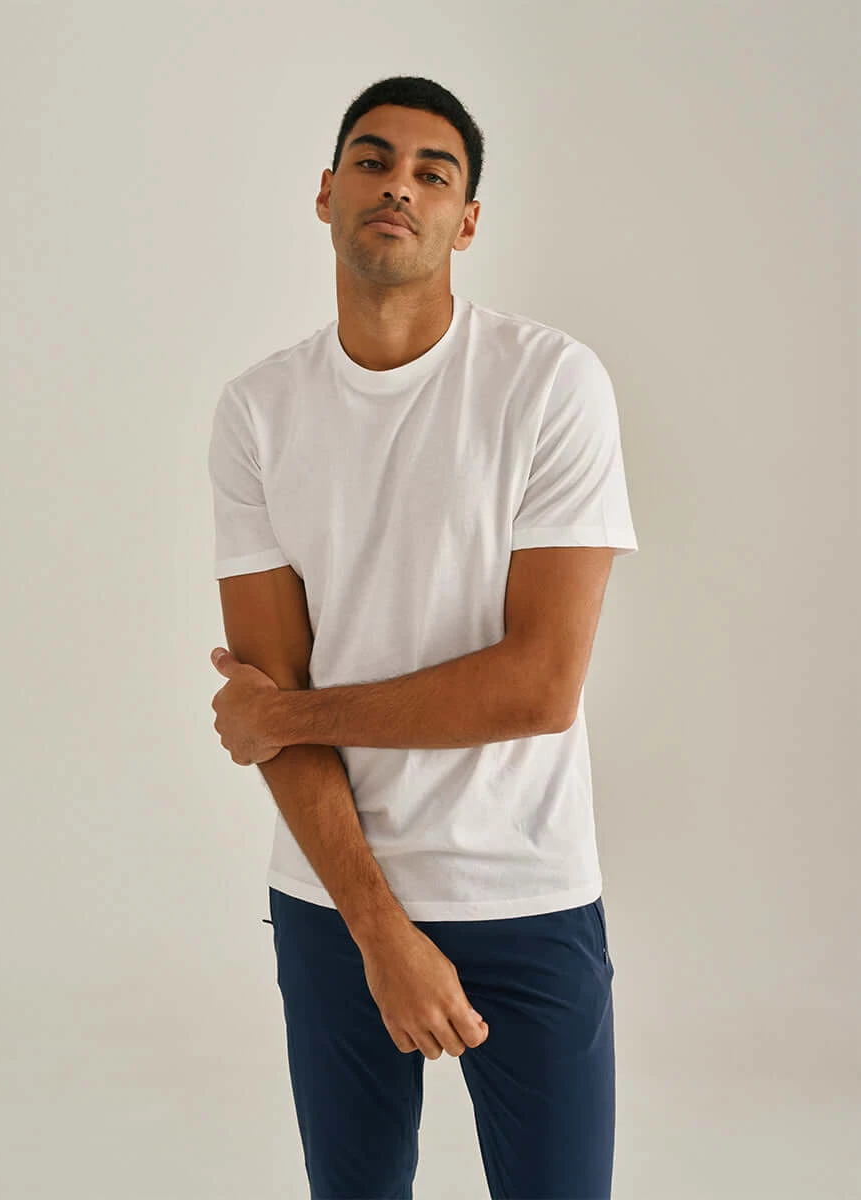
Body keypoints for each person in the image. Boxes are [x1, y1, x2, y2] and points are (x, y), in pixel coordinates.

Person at [208, 74, 639, 1200]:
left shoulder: (550, 384)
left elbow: (539, 687)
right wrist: (377, 929)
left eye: (432, 172)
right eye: (373, 159)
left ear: (467, 220)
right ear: (326, 193)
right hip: (331, 898)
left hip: (526, 890)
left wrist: (286, 714)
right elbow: (266, 687)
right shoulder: (258, 411)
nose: (398, 184)